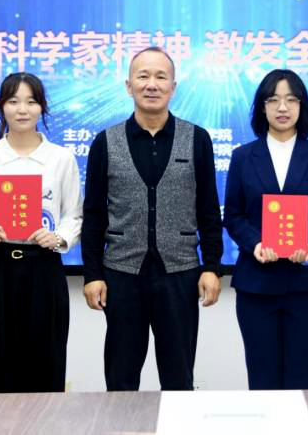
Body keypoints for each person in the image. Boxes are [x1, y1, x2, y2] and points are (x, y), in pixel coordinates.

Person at [81, 47, 224, 391]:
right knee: (121, 378)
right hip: (121, 274)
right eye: (143, 76)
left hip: (180, 273)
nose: (151, 84)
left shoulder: (197, 139)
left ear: (173, 86)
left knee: (179, 378)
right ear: (128, 85)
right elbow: (94, 214)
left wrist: (212, 267)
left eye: (161, 77)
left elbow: (208, 209)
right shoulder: (105, 142)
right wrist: (92, 274)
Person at [0, 72, 82, 393]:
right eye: (13, 101)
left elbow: (75, 215)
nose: (22, 110)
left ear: (42, 107)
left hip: (43, 271)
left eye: (31, 102)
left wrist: (59, 237)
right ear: (1, 106)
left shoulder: (61, 159)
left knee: (42, 364)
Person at [223, 69, 308, 390]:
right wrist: (255, 244)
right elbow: (233, 215)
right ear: (262, 107)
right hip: (256, 285)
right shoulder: (243, 157)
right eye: (273, 100)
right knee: (262, 379)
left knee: (303, 379)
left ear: (302, 106)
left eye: (291, 99)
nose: (283, 107)